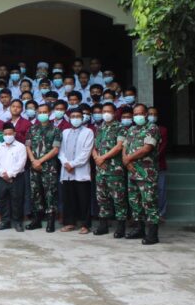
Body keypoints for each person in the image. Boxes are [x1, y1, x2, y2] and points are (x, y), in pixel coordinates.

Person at [122, 104, 161, 245]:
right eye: (135, 114)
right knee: (135, 202)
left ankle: (152, 234)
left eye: (141, 113)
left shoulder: (152, 128)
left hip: (146, 173)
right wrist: (126, 162)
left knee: (149, 202)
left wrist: (128, 159)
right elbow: (124, 147)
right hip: (132, 172)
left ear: (146, 114)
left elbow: (146, 149)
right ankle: (139, 229)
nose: (138, 116)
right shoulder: (131, 129)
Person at [91, 102, 127, 237]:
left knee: (118, 199)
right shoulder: (99, 128)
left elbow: (119, 147)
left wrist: (103, 158)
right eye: (103, 111)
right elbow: (93, 146)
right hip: (100, 170)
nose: (106, 114)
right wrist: (96, 158)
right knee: (102, 198)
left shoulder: (121, 128)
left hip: (115, 170)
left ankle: (121, 227)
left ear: (114, 113)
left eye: (109, 111)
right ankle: (103, 225)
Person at [25, 103, 61, 232]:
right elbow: (28, 146)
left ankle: (50, 221)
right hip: (34, 166)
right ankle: (37, 220)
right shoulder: (32, 129)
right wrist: (33, 161)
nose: (42, 115)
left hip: (49, 168)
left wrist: (40, 161)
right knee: (36, 193)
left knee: (50, 194)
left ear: (50, 113)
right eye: (39, 112)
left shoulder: (56, 130)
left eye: (44, 112)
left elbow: (55, 149)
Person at [58, 108, 94, 234]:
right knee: (68, 199)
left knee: (83, 199)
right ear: (69, 118)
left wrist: (73, 164)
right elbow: (60, 150)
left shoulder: (88, 132)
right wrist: (65, 162)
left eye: (78, 116)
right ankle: (70, 223)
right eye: (73, 116)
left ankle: (85, 224)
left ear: (82, 118)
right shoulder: (65, 132)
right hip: (66, 171)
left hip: (80, 171)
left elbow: (86, 152)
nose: (76, 118)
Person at [0, 122, 27, 232]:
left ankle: (17, 222)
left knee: (17, 199)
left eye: (10, 134)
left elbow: (21, 163)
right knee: (3, 199)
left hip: (16, 177)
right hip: (2, 177)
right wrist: (2, 173)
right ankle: (5, 222)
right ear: (3, 134)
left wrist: (10, 174)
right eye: (5, 134)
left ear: (14, 134)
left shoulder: (20, 147)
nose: (8, 136)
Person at [148, 106, 169, 221]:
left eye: (155, 114)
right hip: (143, 166)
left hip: (158, 164)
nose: (152, 116)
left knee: (160, 189)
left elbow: (162, 147)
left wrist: (152, 158)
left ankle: (161, 213)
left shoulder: (162, 130)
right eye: (150, 114)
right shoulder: (141, 129)